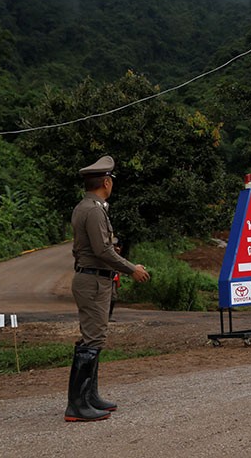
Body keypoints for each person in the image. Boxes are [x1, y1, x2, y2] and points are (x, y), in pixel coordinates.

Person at [66, 155, 151, 422]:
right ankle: (78, 405)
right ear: (105, 182)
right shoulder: (93, 210)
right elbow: (102, 250)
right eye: (111, 180)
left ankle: (89, 397)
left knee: (94, 338)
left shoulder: (88, 207)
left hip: (94, 279)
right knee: (92, 340)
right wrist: (131, 269)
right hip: (93, 281)